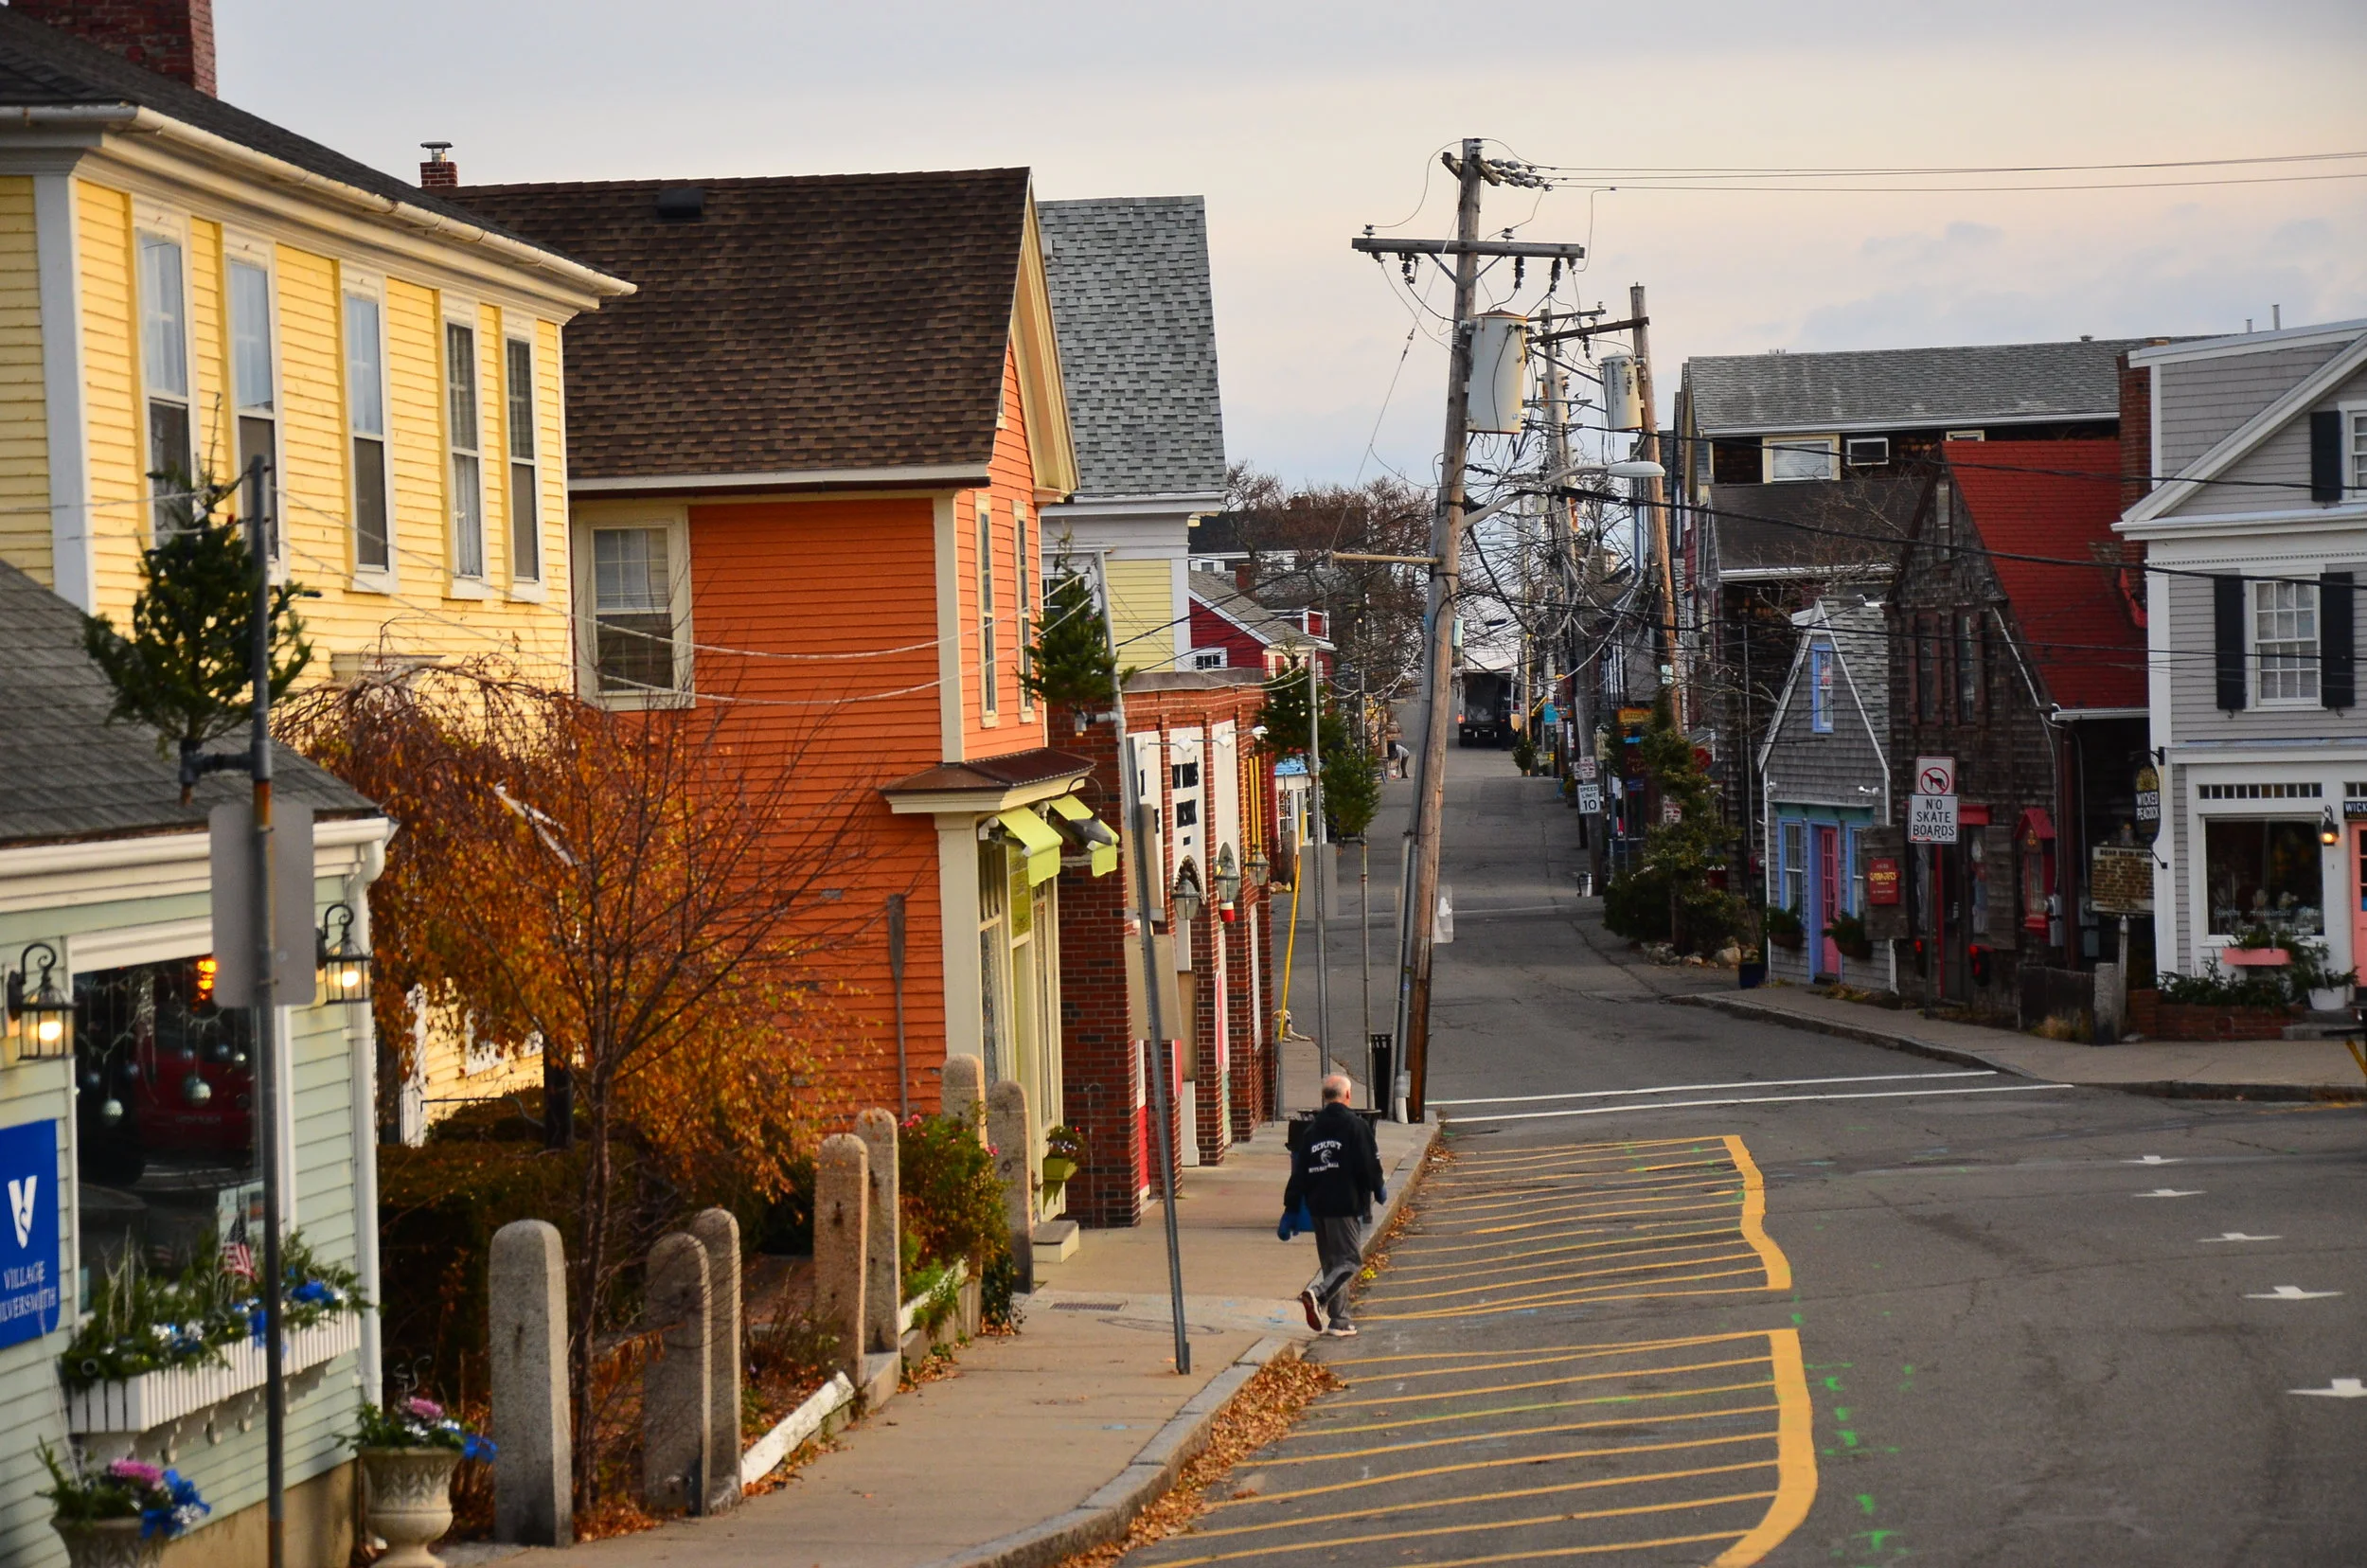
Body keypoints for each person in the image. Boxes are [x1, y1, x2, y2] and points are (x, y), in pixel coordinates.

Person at [1284, 1073, 1386, 1337]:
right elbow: (1368, 1164)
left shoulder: (1312, 1131)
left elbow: (1300, 1172)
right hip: (1344, 1203)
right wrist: (1377, 1187)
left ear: (1324, 1097)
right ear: (1348, 1096)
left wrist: (1292, 1207)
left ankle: (1339, 1320)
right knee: (1350, 1260)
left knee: (1333, 1263)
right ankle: (1317, 1295)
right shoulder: (1356, 1126)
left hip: (1317, 1206)